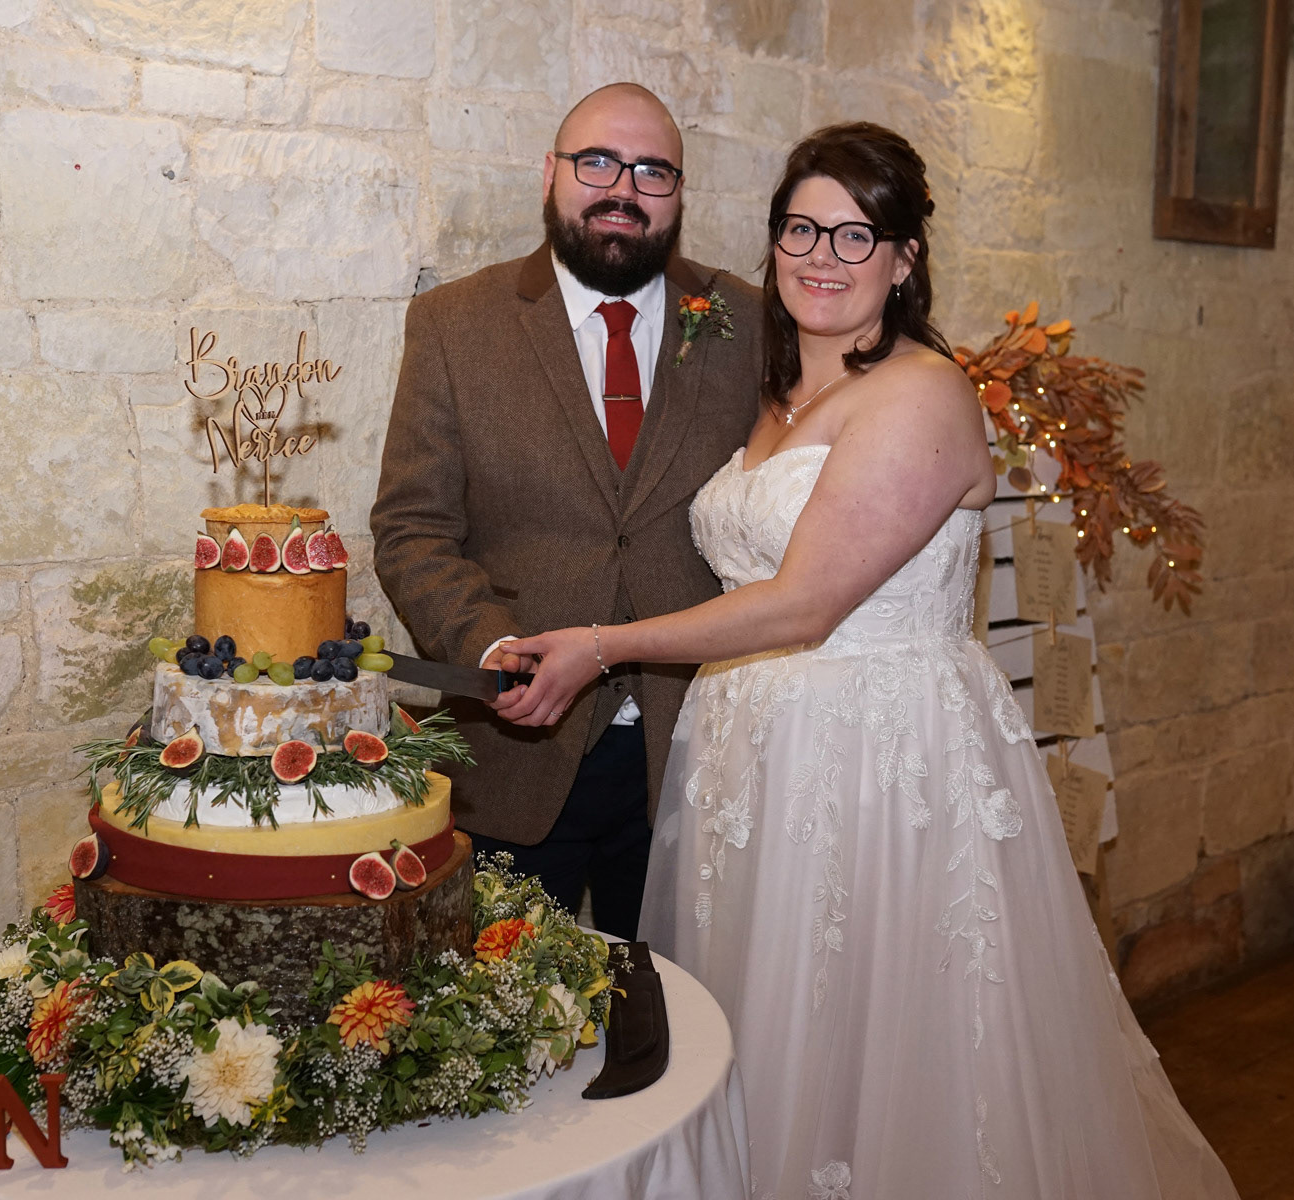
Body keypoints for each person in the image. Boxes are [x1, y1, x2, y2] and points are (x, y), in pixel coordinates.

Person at [498, 123, 1240, 1199]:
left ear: (904, 259)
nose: (823, 257)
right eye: (802, 229)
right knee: (762, 1027)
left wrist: (604, 647)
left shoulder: (922, 393)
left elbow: (806, 603)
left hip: (878, 764)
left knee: (878, 1043)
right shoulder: (771, 395)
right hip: (751, 763)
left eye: (857, 236)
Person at [370, 83, 762, 941]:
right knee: (508, 1009)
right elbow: (412, 528)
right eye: (597, 162)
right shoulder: (453, 324)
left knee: (678, 1004)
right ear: (549, 173)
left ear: (680, 193)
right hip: (518, 758)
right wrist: (491, 649)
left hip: (696, 754)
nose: (623, 188)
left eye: (653, 171)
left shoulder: (747, 322)